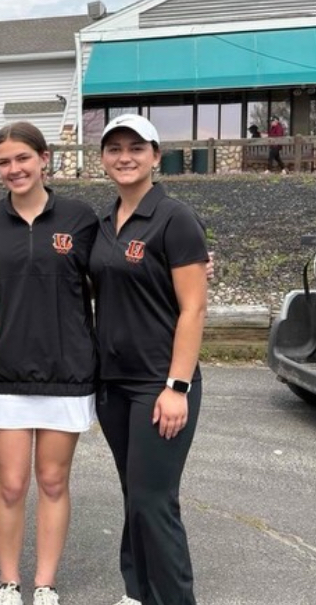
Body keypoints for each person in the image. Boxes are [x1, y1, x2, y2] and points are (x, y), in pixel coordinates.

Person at [0, 122, 99, 605]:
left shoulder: (81, 219)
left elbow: (121, 272)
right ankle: (8, 582)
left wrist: (192, 261)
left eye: (23, 158)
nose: (14, 169)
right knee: (13, 483)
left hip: (69, 372)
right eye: (4, 162)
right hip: (6, 372)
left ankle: (44, 583)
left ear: (45, 158)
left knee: (54, 481)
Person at [91, 114, 208, 605]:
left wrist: (176, 386)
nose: (125, 157)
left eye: (136, 148)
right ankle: (137, 591)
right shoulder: (101, 224)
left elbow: (194, 307)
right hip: (112, 384)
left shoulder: (174, 217)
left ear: (156, 156)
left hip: (159, 385)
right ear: (102, 159)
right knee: (134, 496)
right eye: (114, 148)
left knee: (154, 500)